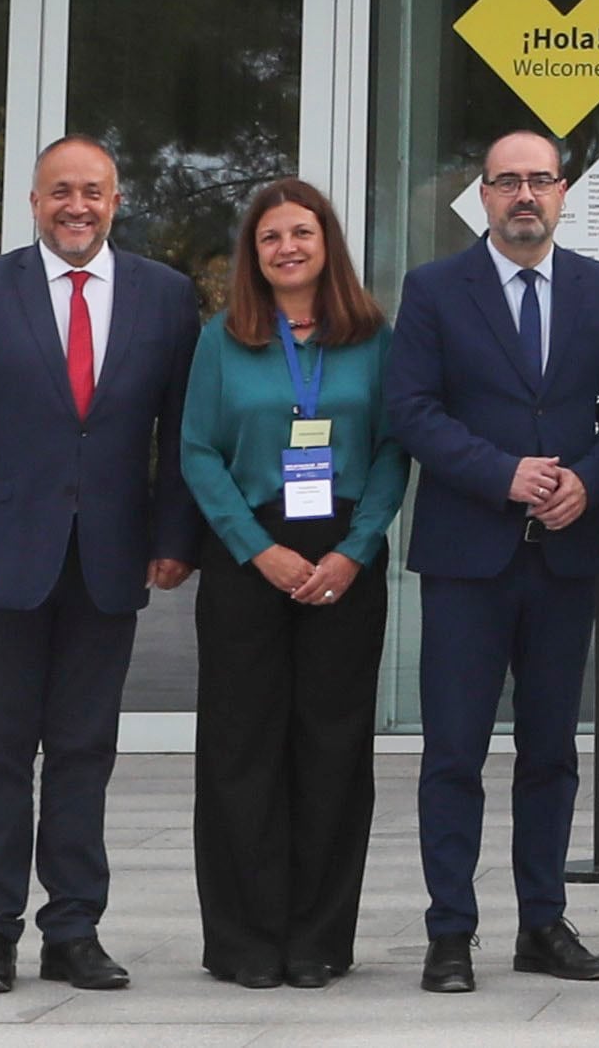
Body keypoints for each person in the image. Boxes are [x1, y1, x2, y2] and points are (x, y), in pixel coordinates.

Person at [0, 135, 203, 996]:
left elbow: (178, 433)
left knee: (83, 749)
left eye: (95, 192)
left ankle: (73, 928)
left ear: (116, 200)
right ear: (34, 202)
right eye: (61, 191)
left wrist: (175, 539)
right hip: (2, 557)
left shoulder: (165, 296)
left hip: (109, 560)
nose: (78, 206)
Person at [384, 126, 599, 992]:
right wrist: (504, 475)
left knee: (550, 753)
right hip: (467, 556)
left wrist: (589, 480)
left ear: (563, 191)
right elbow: (411, 411)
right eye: (507, 182)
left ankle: (542, 923)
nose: (524, 195)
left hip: (564, 555)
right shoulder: (432, 291)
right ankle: (450, 930)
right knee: (453, 753)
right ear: (482, 196)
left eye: (539, 180)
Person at [180, 178, 409, 985]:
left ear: (326, 244)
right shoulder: (222, 339)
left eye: (301, 233)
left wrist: (355, 550)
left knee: (332, 748)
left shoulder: (371, 337)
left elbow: (391, 449)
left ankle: (317, 939)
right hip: (250, 554)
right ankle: (244, 941)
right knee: (242, 749)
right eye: (271, 236)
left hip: (344, 556)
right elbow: (196, 452)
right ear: (254, 253)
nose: (287, 248)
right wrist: (254, 548)